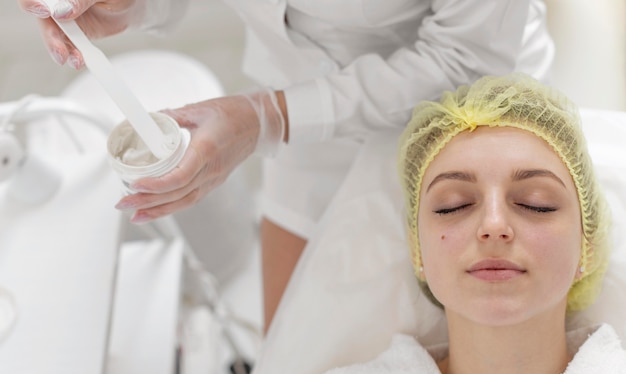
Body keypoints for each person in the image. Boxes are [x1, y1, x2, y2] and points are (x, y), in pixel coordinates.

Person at [18, 0, 555, 332]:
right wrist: (126, 5)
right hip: (299, 107)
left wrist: (270, 116)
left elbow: (463, 58)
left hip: (463, 118)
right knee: (291, 358)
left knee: (458, 349)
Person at [242, 73, 626, 374]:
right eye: (453, 206)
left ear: (587, 245)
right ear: (417, 250)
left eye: (535, 203)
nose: (493, 225)